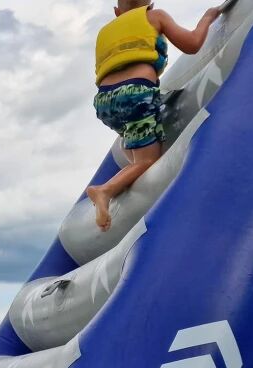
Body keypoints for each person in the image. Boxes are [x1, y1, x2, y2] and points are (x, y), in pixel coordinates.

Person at [86, 1, 224, 231]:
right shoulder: (154, 16)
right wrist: (208, 18)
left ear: (117, 12)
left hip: (105, 102)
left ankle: (126, 180)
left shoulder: (105, 32)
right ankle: (105, 190)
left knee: (135, 151)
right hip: (135, 94)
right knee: (147, 161)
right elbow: (192, 44)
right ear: (150, 5)